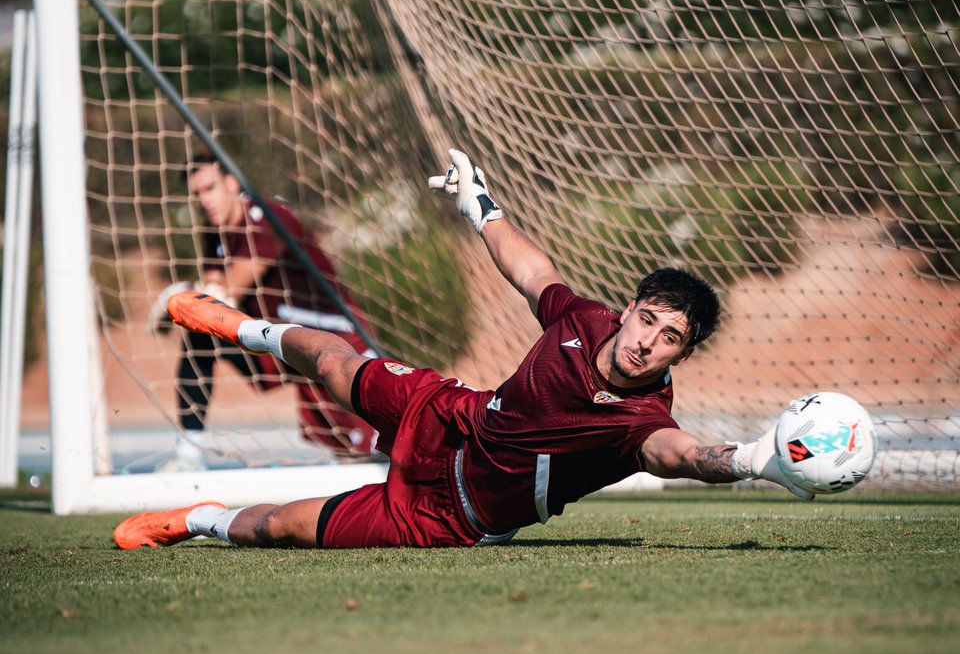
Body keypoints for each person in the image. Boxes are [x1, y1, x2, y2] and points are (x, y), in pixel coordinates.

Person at [115, 147, 812, 551]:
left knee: (280, 527)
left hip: (447, 514)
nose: (648, 343)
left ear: (678, 358)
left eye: (669, 340)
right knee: (333, 360)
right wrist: (482, 205)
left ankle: (191, 520)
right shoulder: (585, 318)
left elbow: (682, 456)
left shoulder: (642, 423)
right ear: (629, 310)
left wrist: (756, 461)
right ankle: (230, 323)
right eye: (649, 320)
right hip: (448, 415)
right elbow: (533, 271)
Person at [148, 152, 377, 471]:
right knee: (198, 339)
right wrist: (187, 305)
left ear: (231, 183)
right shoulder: (214, 232)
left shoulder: (267, 216)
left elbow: (225, 293)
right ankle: (188, 454)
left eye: (210, 188)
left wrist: (177, 297)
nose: (203, 200)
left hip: (331, 338)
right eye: (196, 194)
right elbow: (211, 293)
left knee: (366, 458)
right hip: (277, 338)